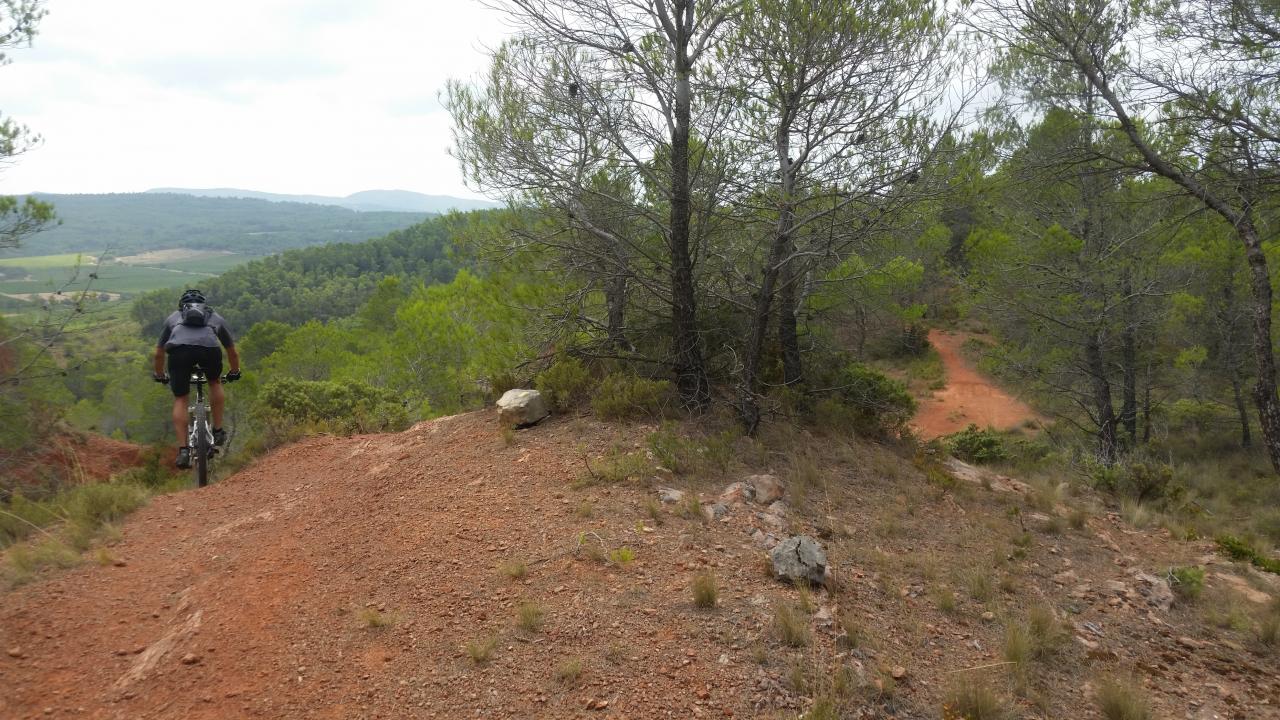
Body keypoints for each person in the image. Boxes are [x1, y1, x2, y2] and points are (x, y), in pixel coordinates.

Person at [152, 289, 241, 468]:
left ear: (182, 306)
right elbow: (231, 351)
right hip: (209, 350)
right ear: (203, 305)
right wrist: (234, 371)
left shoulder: (173, 318)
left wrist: (160, 374)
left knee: (181, 398)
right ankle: (217, 431)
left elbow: (159, 352)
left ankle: (184, 450)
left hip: (179, 353)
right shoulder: (215, 317)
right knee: (215, 382)